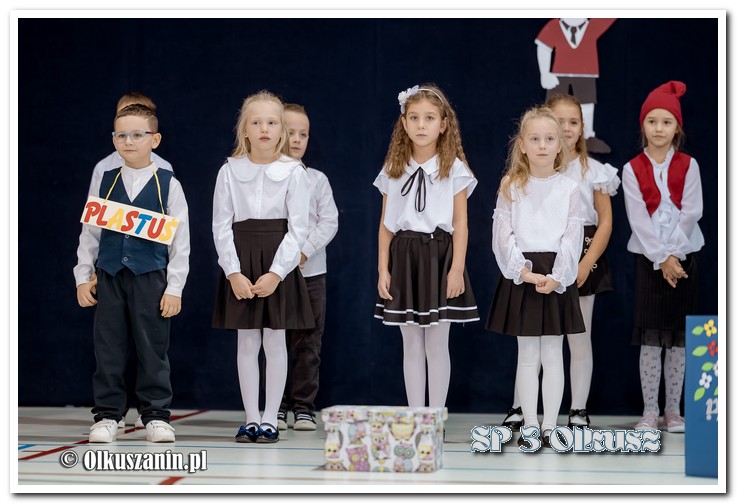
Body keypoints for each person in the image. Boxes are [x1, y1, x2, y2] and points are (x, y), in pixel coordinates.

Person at [499, 94, 621, 431]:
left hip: (579, 258)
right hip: (534, 263)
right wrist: (527, 271)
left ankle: (576, 409)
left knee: (575, 338)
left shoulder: (591, 173)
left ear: (582, 127)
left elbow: (602, 223)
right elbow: (506, 232)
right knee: (531, 344)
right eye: (559, 121)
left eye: (572, 122)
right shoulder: (518, 181)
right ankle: (522, 409)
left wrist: (579, 266)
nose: (565, 128)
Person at [74, 104, 190, 443]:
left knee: (153, 348)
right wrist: (83, 276)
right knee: (108, 347)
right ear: (114, 139)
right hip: (109, 276)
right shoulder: (106, 181)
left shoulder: (168, 184)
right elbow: (90, 234)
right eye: (121, 135)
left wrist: (175, 288)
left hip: (151, 276)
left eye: (137, 134)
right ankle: (107, 415)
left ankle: (156, 415)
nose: (129, 141)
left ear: (155, 139)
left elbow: (180, 241)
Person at [212, 91, 313, 444]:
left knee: (275, 339)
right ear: (245, 130)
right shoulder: (229, 171)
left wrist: (276, 273)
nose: (264, 129)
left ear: (282, 130)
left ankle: (271, 417)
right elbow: (221, 225)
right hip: (241, 260)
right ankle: (251, 418)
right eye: (256, 122)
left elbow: (298, 229)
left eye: (272, 123)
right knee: (246, 341)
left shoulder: (294, 172)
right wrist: (233, 272)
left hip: (276, 262)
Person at [374, 84, 479, 411]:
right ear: (404, 123)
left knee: (436, 344)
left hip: (439, 256)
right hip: (404, 256)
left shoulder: (454, 169)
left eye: (429, 118)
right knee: (411, 345)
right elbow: (386, 225)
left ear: (443, 124)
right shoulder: (393, 168)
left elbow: (460, 223)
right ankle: (417, 417)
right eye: (414, 117)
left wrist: (456, 269)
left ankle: (435, 417)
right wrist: (383, 269)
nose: (421, 125)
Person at [486, 105, 584, 449]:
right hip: (524, 275)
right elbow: (503, 234)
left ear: (560, 145)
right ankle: (530, 425)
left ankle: (550, 425)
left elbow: (573, 235)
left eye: (549, 139)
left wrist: (558, 276)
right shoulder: (511, 185)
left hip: (556, 274)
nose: (542, 145)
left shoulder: (569, 187)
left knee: (554, 353)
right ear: (522, 145)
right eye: (535, 139)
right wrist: (523, 272)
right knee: (527, 354)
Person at [622, 81, 703, 433]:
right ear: (643, 125)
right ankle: (649, 411)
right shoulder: (631, 168)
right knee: (651, 340)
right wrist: (660, 257)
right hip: (648, 261)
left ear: (677, 128)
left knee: (678, 340)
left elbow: (692, 211)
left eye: (666, 122)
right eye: (652, 121)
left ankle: (674, 410)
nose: (658, 128)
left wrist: (673, 255)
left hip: (685, 260)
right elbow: (638, 219)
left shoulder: (689, 165)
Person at [277, 103, 339, 432]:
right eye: (290, 132)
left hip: (310, 273)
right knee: (274, 340)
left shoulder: (317, 180)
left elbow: (329, 221)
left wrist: (303, 252)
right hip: (273, 275)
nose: (297, 139)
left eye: (303, 134)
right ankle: (275, 406)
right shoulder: (267, 178)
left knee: (309, 342)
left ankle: (303, 406)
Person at [535, 18, 616, 153]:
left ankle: (587, 138)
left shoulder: (592, 26)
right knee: (552, 106)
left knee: (587, 105)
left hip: (586, 74)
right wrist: (545, 73)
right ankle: (548, 135)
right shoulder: (555, 26)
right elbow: (544, 47)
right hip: (559, 74)